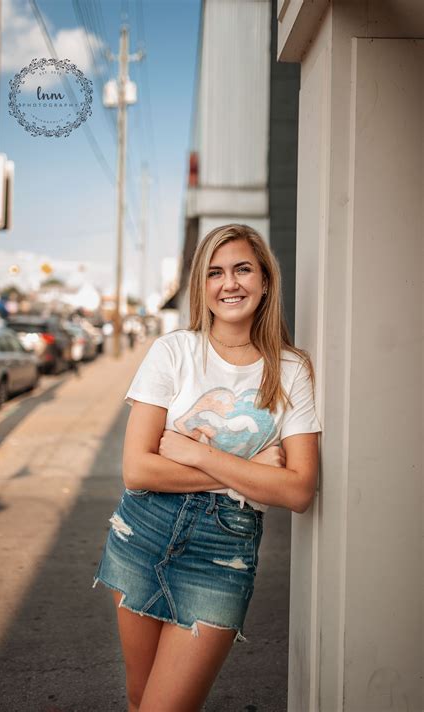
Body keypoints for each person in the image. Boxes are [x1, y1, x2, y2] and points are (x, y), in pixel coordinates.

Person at [93, 223, 322, 711]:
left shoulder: (292, 370)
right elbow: (137, 470)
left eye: (242, 269)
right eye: (215, 273)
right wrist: (253, 472)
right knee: (139, 698)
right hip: (144, 529)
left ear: (264, 281)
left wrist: (198, 452)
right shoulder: (172, 351)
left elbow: (300, 490)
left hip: (223, 551)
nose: (229, 283)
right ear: (202, 285)